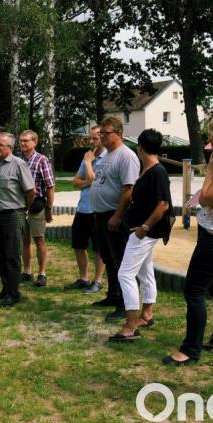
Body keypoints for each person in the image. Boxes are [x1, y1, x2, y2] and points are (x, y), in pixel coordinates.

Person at [163, 117, 213, 365]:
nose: (210, 144)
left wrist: (210, 173)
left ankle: (190, 349)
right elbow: (208, 197)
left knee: (194, 291)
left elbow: (207, 198)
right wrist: (210, 196)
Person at [108, 129, 172, 342]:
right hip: (140, 229)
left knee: (125, 274)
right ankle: (146, 314)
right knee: (145, 272)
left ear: (141, 148)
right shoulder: (148, 170)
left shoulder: (157, 172)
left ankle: (130, 325)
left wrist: (144, 227)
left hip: (144, 232)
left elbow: (163, 204)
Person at [89, 116, 140, 322]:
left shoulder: (126, 156)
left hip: (114, 215)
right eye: (100, 133)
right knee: (108, 258)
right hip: (100, 215)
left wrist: (118, 215)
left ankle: (124, 304)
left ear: (118, 134)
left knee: (119, 260)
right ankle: (112, 295)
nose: (101, 136)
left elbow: (128, 189)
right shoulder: (106, 155)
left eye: (105, 133)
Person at [0, 132, 36, 307]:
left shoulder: (19, 164)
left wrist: (24, 209)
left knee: (12, 255)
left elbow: (31, 191)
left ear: (10, 147)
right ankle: (5, 288)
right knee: (0, 254)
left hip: (13, 215)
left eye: (1, 145)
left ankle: (14, 293)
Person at [64, 126, 106, 294]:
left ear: (103, 138)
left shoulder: (105, 158)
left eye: (95, 138)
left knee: (98, 248)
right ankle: (84, 279)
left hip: (97, 210)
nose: (91, 141)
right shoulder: (88, 156)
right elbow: (75, 182)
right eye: (90, 138)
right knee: (78, 245)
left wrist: (88, 164)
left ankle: (98, 281)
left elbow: (94, 180)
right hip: (83, 208)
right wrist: (89, 180)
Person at [19, 130, 55, 287]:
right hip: (21, 205)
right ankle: (27, 271)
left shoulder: (42, 160)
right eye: (21, 140)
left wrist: (49, 208)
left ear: (35, 142)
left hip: (37, 205)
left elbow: (50, 186)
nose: (22, 143)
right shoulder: (19, 161)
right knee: (24, 240)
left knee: (39, 239)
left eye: (26, 140)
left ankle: (42, 273)